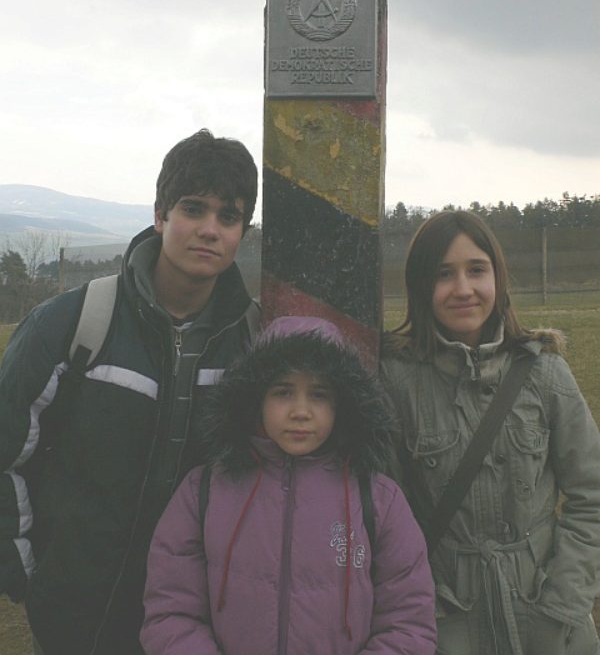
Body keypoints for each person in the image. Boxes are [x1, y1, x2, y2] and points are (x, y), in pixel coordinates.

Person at [0, 129, 259, 655]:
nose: (209, 230)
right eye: (193, 209)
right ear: (160, 215)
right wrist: (29, 574)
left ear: (242, 233)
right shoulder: (69, 326)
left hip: (199, 625)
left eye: (227, 217)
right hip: (78, 620)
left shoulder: (255, 347)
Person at [140, 316, 437, 655]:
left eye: (319, 394)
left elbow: (408, 624)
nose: (301, 411)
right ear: (256, 399)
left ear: (342, 403)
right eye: (283, 392)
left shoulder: (378, 499)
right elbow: (170, 613)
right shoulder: (203, 492)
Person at [380, 210, 600, 655]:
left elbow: (591, 493)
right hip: (444, 623)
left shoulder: (546, 373)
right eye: (444, 274)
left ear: (497, 276)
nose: (463, 289)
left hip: (550, 621)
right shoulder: (395, 382)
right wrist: (418, 607)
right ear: (421, 287)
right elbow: (384, 512)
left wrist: (565, 601)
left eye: (476, 270)